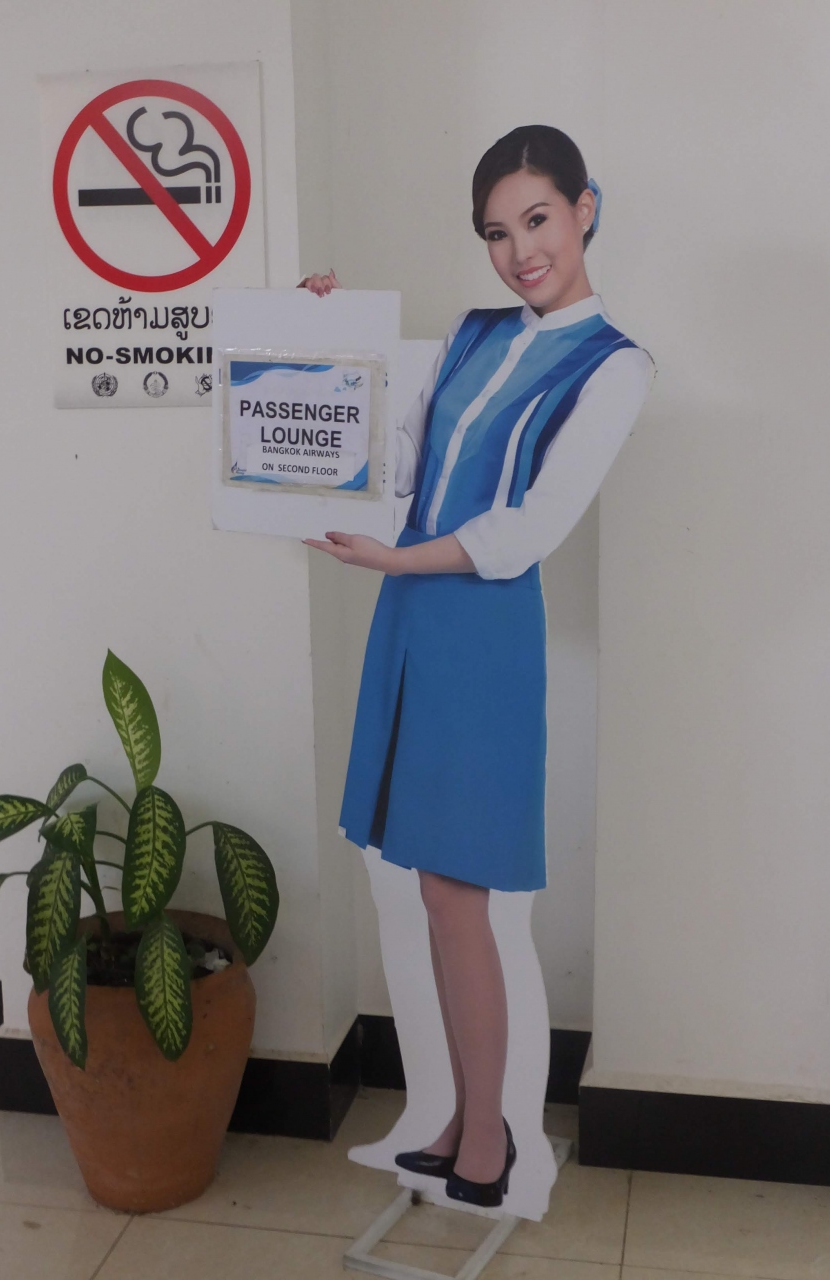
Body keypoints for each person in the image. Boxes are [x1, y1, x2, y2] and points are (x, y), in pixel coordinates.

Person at [300, 124, 653, 1207]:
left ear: (585, 208)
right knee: (427, 886)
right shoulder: (470, 332)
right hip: (411, 614)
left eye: (536, 220)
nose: (519, 251)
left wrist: (398, 558)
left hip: (481, 634)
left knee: (458, 896)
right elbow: (401, 458)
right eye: (497, 233)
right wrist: (329, 340)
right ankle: (463, 1116)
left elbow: (529, 528)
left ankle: (488, 1143)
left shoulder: (615, 365)